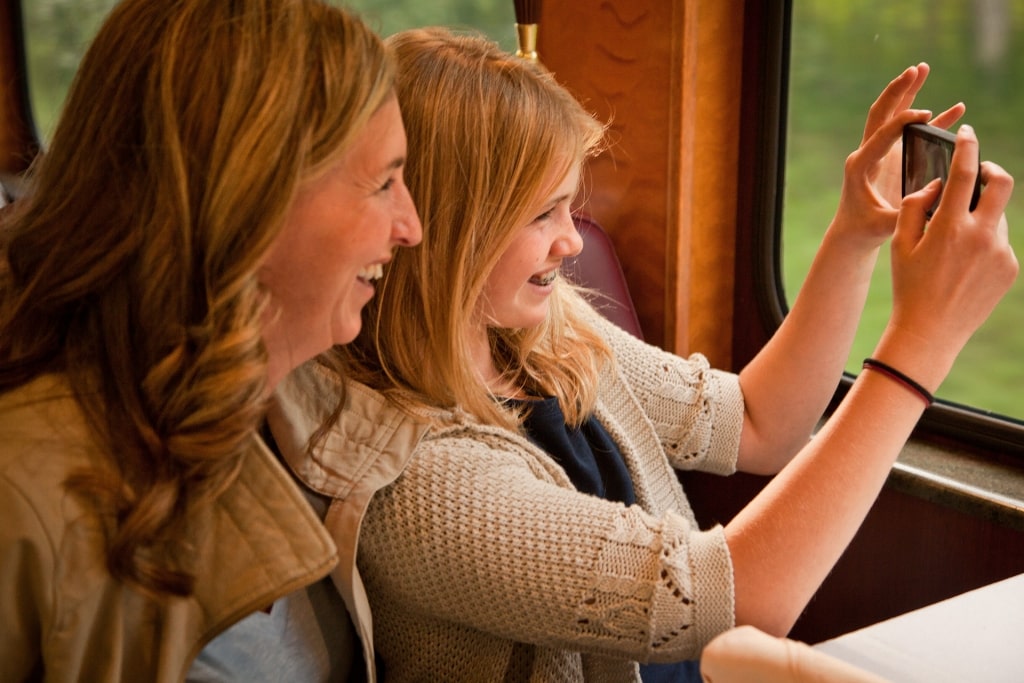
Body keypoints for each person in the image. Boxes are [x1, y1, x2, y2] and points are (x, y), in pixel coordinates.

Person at [270, 28, 1017, 682]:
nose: (571, 241)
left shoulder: (539, 332)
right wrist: (920, 346)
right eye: (542, 214)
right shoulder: (419, 487)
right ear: (446, 234)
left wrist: (856, 233)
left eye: (570, 205)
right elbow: (735, 596)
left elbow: (759, 420)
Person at [0, 1, 421, 681]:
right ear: (250, 198)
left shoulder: (275, 402)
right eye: (383, 183)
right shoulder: (23, 492)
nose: (411, 227)